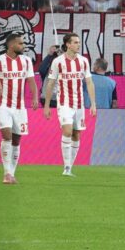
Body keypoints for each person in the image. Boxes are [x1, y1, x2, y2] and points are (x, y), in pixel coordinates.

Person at [42, 32, 96, 178]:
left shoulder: (84, 61)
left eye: (79, 42)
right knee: (67, 131)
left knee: (77, 133)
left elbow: (89, 82)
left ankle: (70, 167)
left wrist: (93, 104)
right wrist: (47, 105)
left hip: (79, 104)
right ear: (67, 44)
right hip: (64, 103)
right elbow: (51, 83)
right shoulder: (58, 62)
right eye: (75, 42)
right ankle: (66, 167)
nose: (78, 44)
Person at [0, 32, 38, 184]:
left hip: (20, 108)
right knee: (7, 136)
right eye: (20, 43)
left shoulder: (26, 61)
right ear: (11, 45)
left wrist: (35, 97)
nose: (23, 46)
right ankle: (6, 173)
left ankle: (12, 173)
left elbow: (31, 80)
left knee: (17, 140)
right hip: (3, 105)